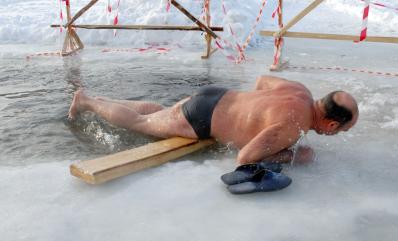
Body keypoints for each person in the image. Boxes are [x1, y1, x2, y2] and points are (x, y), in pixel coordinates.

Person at [68, 75, 358, 165]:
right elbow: (245, 158)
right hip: (203, 119)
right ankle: (88, 102)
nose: (338, 134)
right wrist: (292, 156)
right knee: (141, 124)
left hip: (216, 96)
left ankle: (97, 100)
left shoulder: (300, 91)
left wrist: (248, 117)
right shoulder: (292, 127)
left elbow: (261, 81)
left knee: (158, 111)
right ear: (331, 125)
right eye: (342, 130)